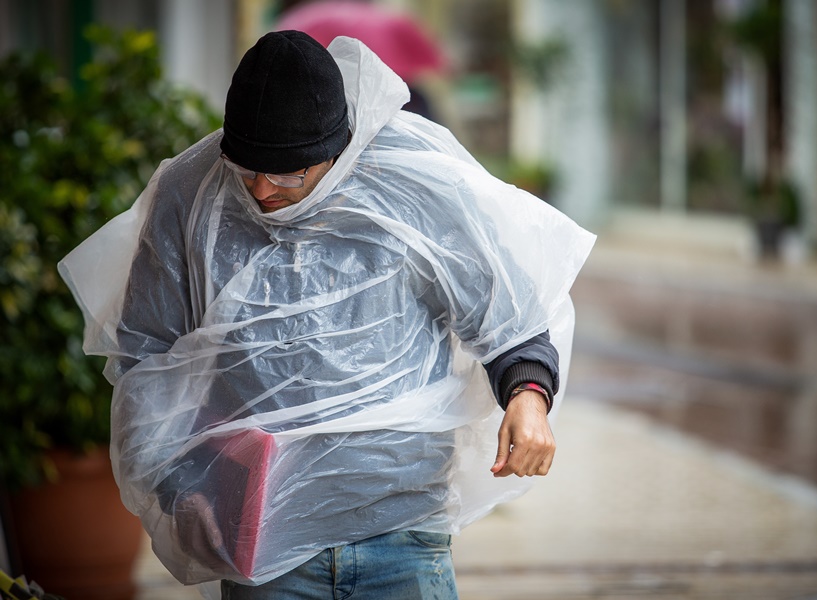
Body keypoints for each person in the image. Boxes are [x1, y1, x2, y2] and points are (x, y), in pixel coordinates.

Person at [60, 31, 594, 598]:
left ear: (336, 152)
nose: (263, 189)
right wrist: (181, 486)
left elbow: (507, 314)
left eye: (289, 174)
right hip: (263, 547)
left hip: (402, 534)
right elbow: (147, 359)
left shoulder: (411, 186)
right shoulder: (191, 195)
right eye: (247, 169)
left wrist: (528, 397)